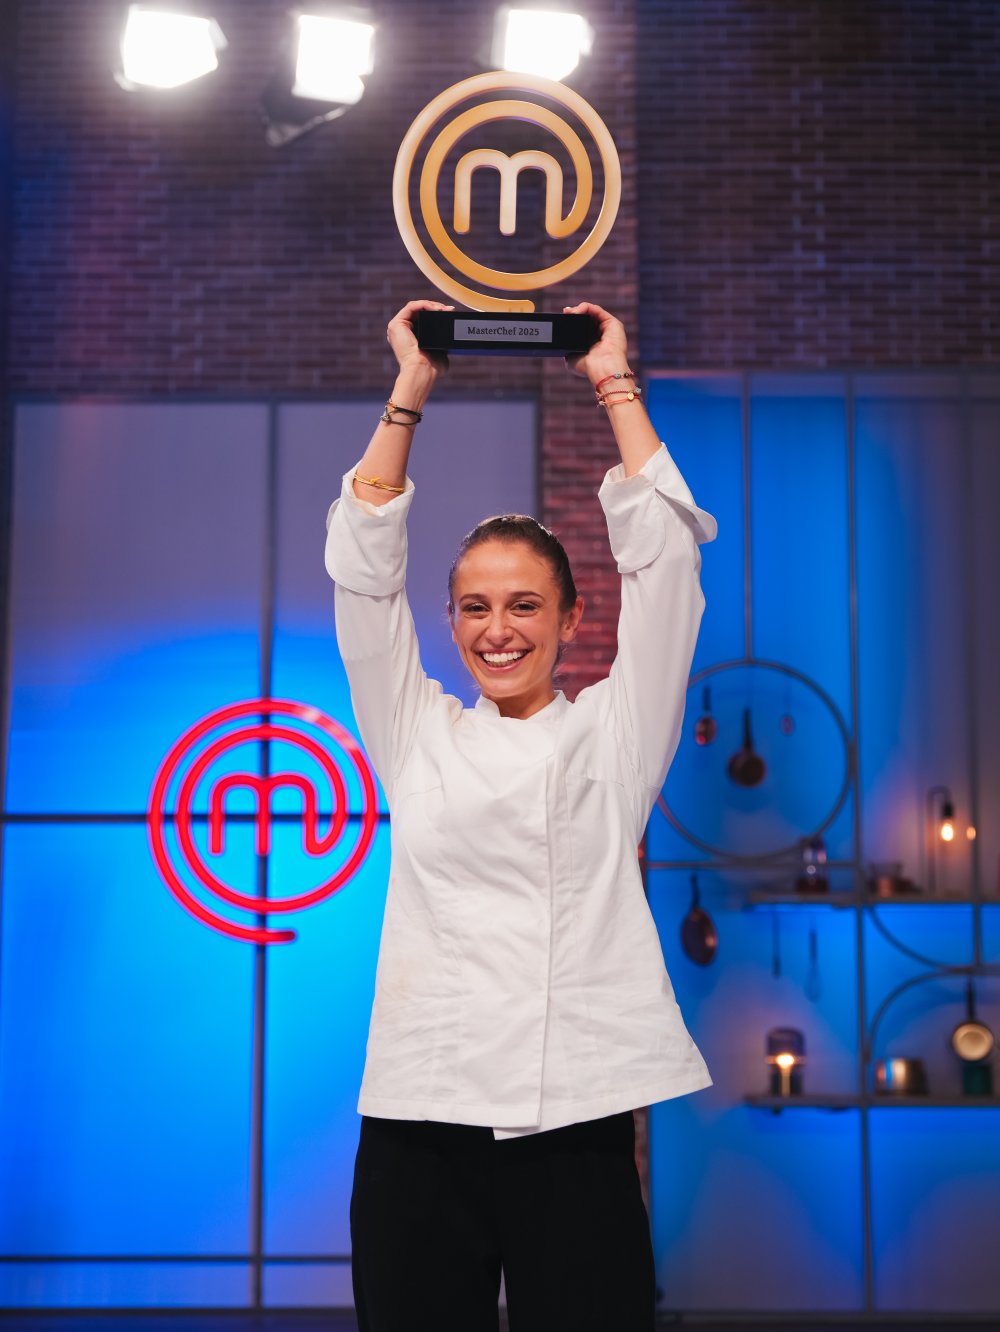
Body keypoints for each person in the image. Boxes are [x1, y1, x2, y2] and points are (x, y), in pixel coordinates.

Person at [324, 298, 716, 1332]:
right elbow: (362, 571)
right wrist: (410, 387)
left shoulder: (615, 734)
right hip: (418, 1116)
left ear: (572, 617)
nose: (498, 631)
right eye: (475, 607)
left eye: (525, 604)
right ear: (451, 622)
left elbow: (668, 565)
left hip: (574, 1119)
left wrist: (613, 381)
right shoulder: (415, 731)